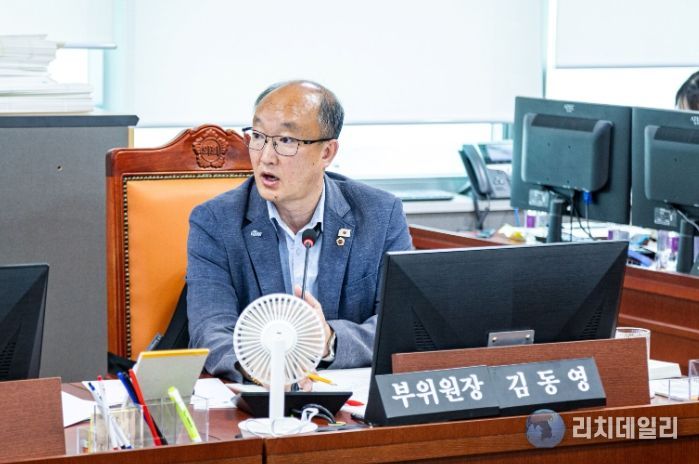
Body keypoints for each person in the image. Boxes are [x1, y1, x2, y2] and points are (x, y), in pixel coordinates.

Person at [186, 80, 412, 382]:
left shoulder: (380, 214)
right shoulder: (215, 220)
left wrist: (329, 341)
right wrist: (262, 372)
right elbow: (210, 328)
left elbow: (400, 325)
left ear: (327, 152)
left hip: (349, 391)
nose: (266, 156)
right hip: (258, 394)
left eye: (286, 140)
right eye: (258, 137)